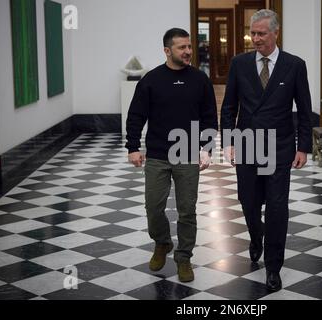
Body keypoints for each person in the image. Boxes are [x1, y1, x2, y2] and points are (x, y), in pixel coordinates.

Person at [220, 9, 312, 292]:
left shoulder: (294, 65)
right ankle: (256, 235)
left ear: (275, 32)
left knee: (276, 208)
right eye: (253, 33)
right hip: (247, 144)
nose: (255, 38)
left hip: (280, 147)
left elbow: (305, 110)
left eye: (261, 33)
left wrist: (303, 147)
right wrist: (228, 142)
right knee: (248, 202)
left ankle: (274, 267)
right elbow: (229, 106)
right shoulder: (239, 63)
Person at [125, 28, 218, 283]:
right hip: (157, 155)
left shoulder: (200, 80)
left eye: (189, 47)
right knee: (153, 207)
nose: (188, 51)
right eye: (182, 48)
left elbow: (210, 116)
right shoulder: (151, 80)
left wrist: (206, 149)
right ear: (167, 50)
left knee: (187, 210)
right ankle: (162, 243)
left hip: (188, 154)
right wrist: (133, 147)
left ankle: (184, 257)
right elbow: (136, 116)